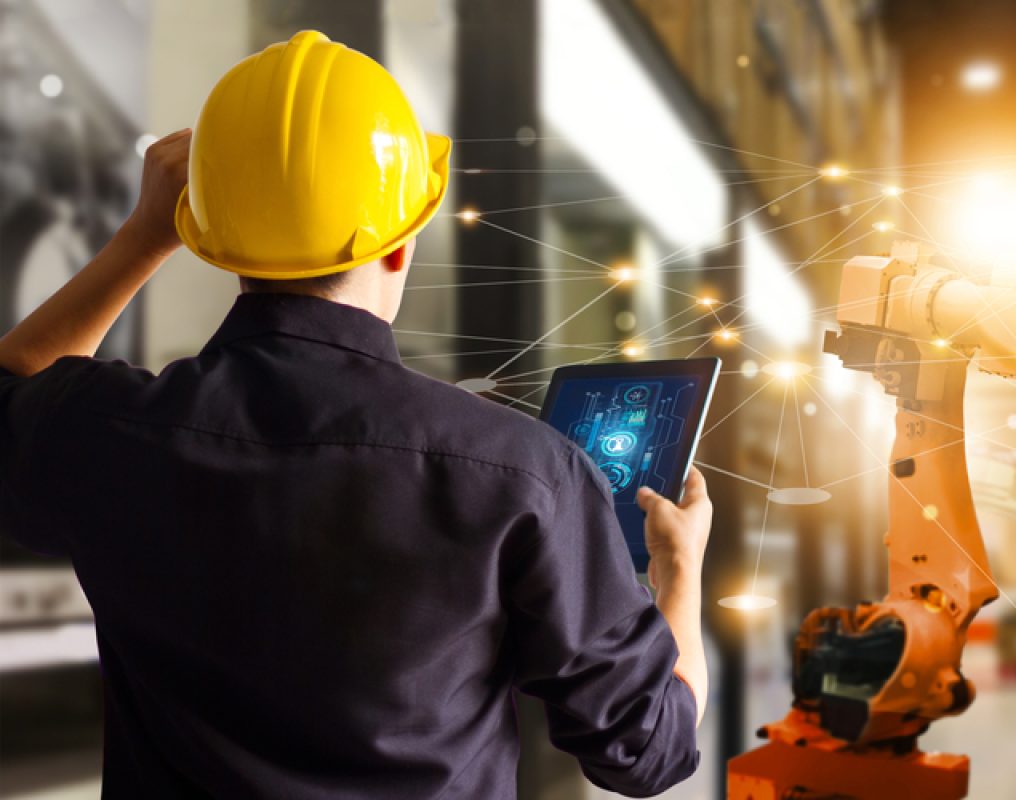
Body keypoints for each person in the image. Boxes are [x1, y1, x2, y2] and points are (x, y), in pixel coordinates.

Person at [0, 31, 707, 798]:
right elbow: (647, 751)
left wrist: (142, 237)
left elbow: (15, 381)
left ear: (211, 236)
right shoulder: (525, 472)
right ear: (401, 245)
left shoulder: (107, 430)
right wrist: (679, 570)